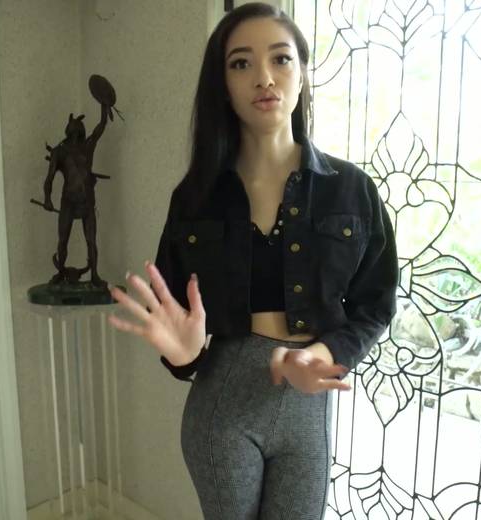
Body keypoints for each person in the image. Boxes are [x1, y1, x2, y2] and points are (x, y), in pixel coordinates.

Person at [107, 3, 398, 519]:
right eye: (241, 63)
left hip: (308, 405)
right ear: (222, 84)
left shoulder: (352, 190)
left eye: (280, 59)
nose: (263, 77)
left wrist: (324, 352)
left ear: (302, 72)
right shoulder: (195, 198)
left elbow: (375, 303)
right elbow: (176, 322)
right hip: (223, 403)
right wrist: (184, 356)